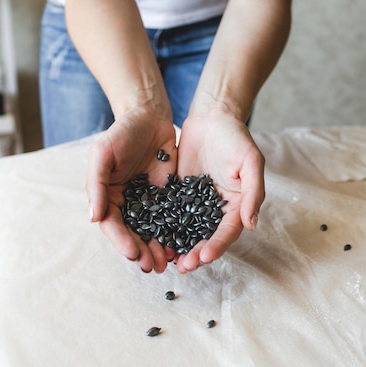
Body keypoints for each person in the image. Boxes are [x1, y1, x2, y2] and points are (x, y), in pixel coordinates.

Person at [39, 0, 291, 274]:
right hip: (93, 17)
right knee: (73, 204)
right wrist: (139, 108)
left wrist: (220, 109)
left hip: (223, 26)